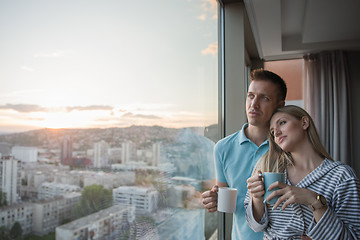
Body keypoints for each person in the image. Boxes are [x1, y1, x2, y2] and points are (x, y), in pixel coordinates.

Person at [245, 105, 360, 239]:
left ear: (304, 123)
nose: (276, 133)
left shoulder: (341, 176)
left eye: (282, 123)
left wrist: (315, 201)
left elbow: (353, 237)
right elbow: (255, 226)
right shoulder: (268, 169)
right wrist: (257, 199)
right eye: (272, 132)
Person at [202, 69, 287, 239]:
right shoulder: (222, 148)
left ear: (280, 105)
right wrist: (213, 199)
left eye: (265, 98)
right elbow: (224, 195)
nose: (253, 105)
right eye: (250, 96)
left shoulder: (287, 147)